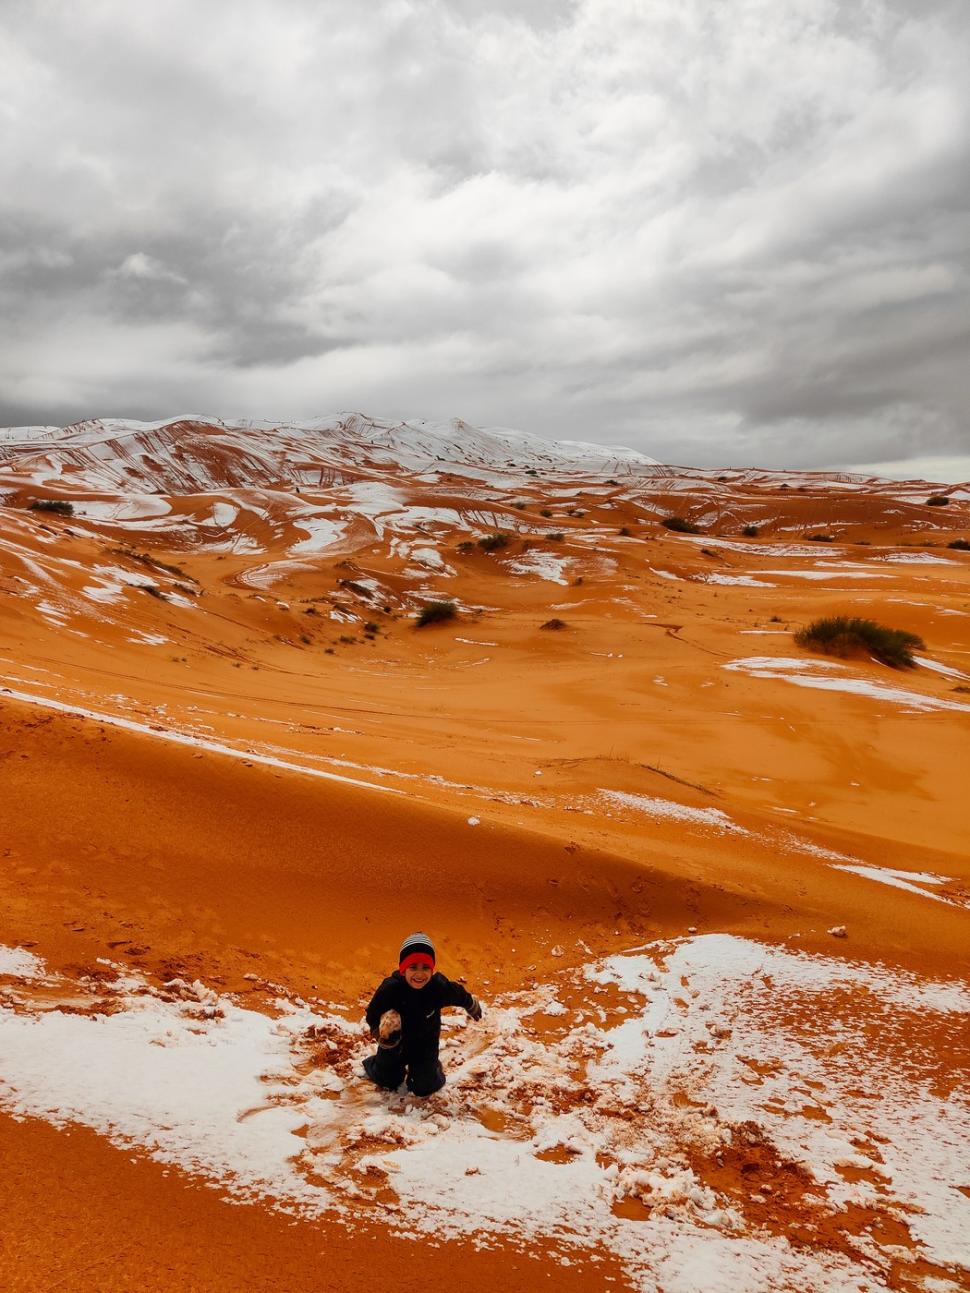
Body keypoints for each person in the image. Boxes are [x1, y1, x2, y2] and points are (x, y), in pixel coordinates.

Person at [363, 931, 483, 1097]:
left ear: (432, 969)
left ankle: (433, 1068)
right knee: (387, 1081)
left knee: (424, 1087)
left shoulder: (437, 987)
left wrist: (471, 1004)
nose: (419, 974)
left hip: (425, 1043)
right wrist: (381, 1035)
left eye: (425, 967)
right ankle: (376, 1062)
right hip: (395, 1043)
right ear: (403, 969)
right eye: (413, 967)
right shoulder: (390, 989)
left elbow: (457, 993)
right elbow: (373, 1014)